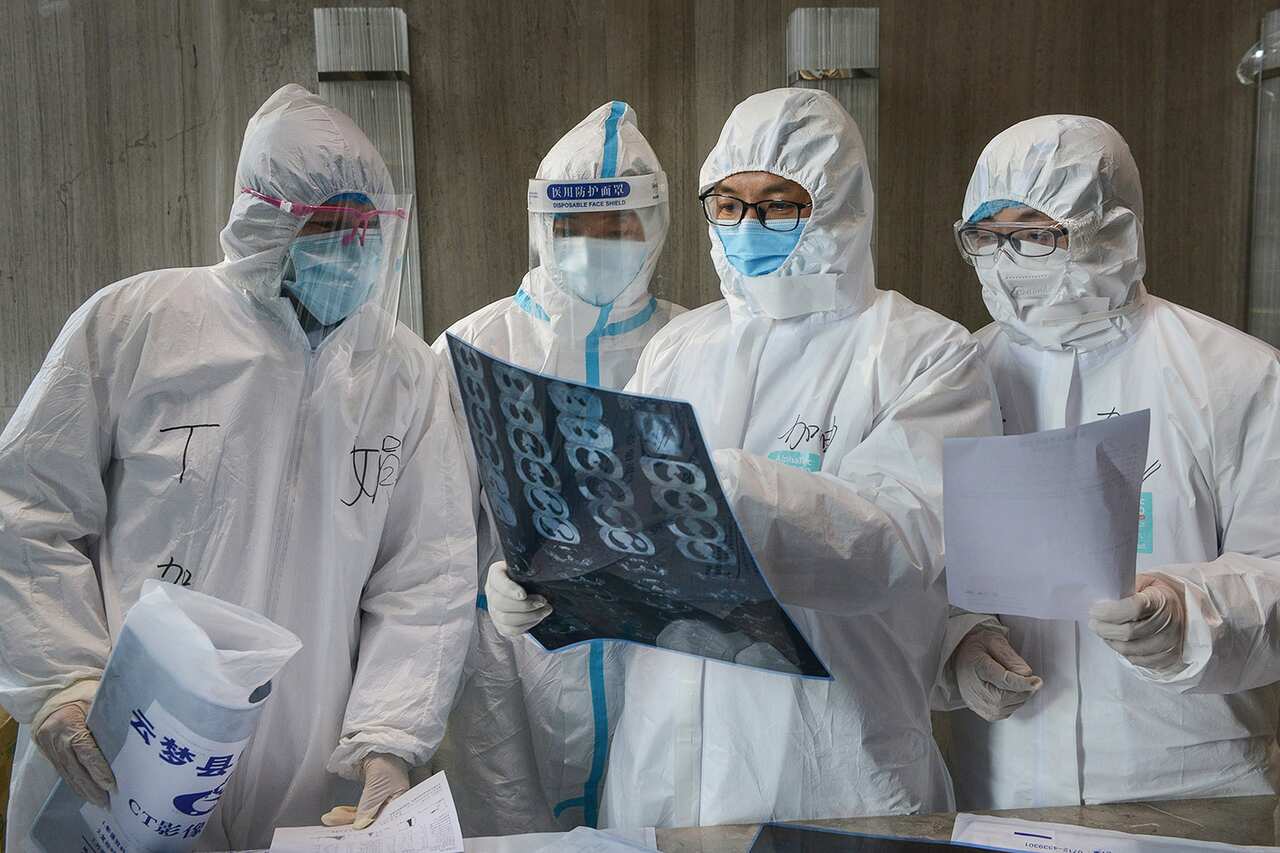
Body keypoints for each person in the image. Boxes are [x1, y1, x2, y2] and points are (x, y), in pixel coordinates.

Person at [486, 87, 1001, 827]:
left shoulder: (924, 353)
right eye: (727, 203)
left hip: (836, 765)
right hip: (665, 759)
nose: (747, 224)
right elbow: (614, 508)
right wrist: (546, 573)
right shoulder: (681, 345)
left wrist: (731, 488)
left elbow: (899, 543)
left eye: (779, 202)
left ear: (839, 203)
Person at [0, 84, 477, 850]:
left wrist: (391, 736)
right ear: (263, 220)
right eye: (326, 226)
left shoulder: (401, 373)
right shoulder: (138, 325)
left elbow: (429, 575)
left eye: (366, 226)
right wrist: (62, 680)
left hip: (307, 772)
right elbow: (25, 512)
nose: (351, 249)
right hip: (125, 745)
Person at [944, 114, 1280, 810]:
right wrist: (957, 643)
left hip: (1194, 784)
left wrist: (1187, 612)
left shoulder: (1238, 376)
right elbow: (921, 561)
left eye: (1037, 234)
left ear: (1111, 229)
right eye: (991, 235)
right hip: (1010, 784)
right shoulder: (954, 379)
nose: (1010, 259)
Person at [432, 101, 683, 835]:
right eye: (575, 228)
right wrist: (487, 580)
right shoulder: (470, 348)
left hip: (653, 671)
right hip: (509, 673)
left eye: (618, 227)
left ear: (655, 227)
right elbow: (425, 531)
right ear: (545, 228)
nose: (595, 245)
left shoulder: (691, 344)